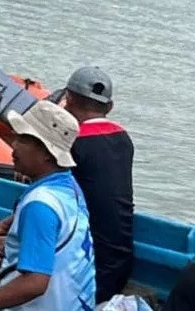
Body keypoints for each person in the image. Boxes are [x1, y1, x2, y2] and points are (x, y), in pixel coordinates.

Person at [0, 100, 95, 311]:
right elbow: (50, 240)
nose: (14, 144)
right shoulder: (70, 189)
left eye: (24, 139)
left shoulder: (40, 205)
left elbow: (36, 282)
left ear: (48, 153)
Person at [62, 66, 135, 303]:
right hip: (120, 259)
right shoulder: (124, 139)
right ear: (110, 107)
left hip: (86, 259)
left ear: (68, 99)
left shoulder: (72, 143)